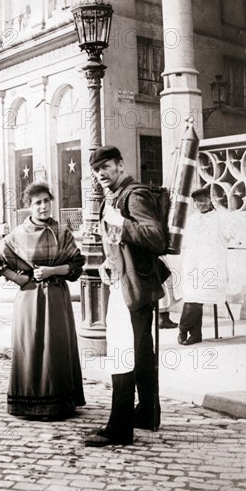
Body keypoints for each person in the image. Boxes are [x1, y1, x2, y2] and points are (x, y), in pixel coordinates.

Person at [84, 145, 170, 447]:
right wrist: (108, 262)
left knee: (122, 352)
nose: (101, 174)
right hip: (128, 283)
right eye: (97, 170)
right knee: (141, 351)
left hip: (133, 287)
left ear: (120, 165)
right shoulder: (116, 196)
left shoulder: (134, 195)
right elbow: (120, 245)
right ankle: (147, 412)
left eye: (106, 167)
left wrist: (120, 222)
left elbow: (156, 237)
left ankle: (119, 427)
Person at [0, 182, 86, 419]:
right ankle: (29, 403)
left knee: (56, 347)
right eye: (38, 202)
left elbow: (77, 265)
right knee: (31, 346)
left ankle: (60, 403)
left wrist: (53, 271)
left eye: (46, 201)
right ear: (29, 207)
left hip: (57, 298)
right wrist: (18, 278)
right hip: (30, 299)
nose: (43, 206)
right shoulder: (18, 235)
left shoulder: (62, 232)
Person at [178, 187, 234, 346]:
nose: (200, 204)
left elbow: (233, 234)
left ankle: (183, 329)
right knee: (192, 296)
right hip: (193, 265)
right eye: (197, 202)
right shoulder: (192, 219)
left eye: (203, 200)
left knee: (195, 298)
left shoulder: (220, 218)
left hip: (212, 267)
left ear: (210, 200)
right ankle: (195, 334)